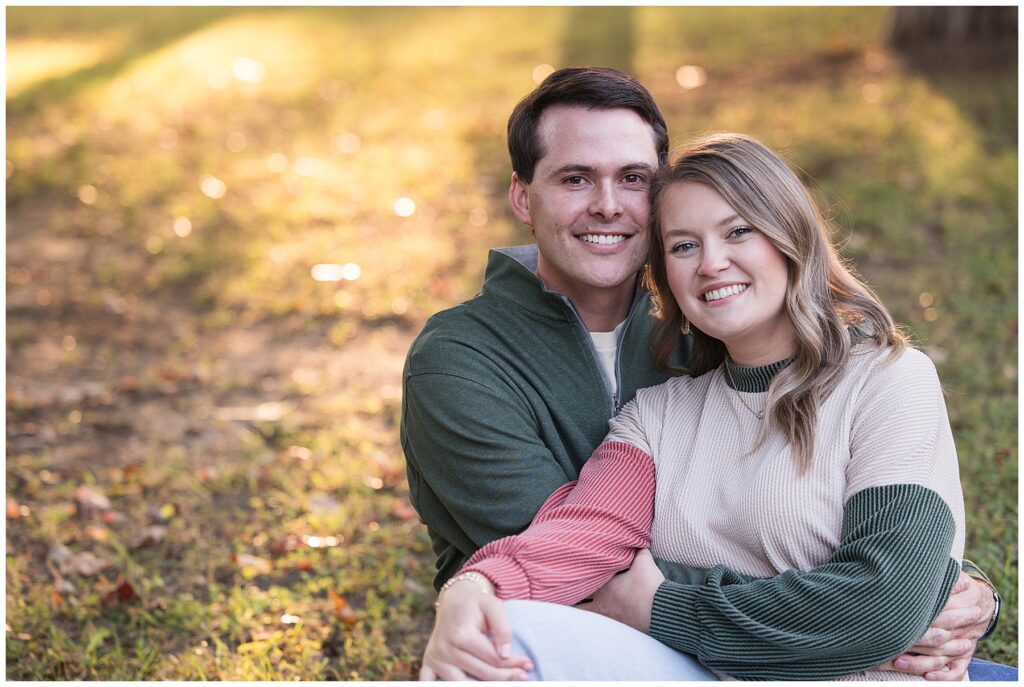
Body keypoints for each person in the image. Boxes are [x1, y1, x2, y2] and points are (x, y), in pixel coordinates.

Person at [400, 68, 1004, 680]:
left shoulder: (858, 375)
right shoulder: (488, 365)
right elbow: (584, 547)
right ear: (523, 197)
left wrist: (949, 585)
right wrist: (472, 587)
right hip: (659, 649)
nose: (713, 264)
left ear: (790, 237)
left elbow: (882, 588)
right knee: (516, 636)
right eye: (685, 245)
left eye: (633, 179)